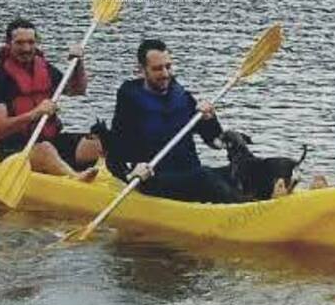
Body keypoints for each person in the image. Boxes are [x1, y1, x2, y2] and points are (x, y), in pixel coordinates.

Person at [105, 39, 245, 203]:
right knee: (204, 176)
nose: (165, 74)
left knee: (243, 170)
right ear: (142, 71)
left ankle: (259, 201)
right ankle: (248, 212)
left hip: (190, 175)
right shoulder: (130, 102)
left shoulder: (181, 97)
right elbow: (114, 155)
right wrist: (129, 174)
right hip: (154, 180)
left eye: (168, 66)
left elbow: (214, 142)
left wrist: (210, 119)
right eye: (157, 69)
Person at [0, 18, 100, 182]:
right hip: (14, 148)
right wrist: (34, 114)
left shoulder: (43, 67)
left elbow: (77, 90)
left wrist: (78, 63)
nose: (27, 48)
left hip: (51, 139)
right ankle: (75, 178)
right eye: (20, 43)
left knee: (95, 142)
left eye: (31, 42)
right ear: (8, 44)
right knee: (45, 150)